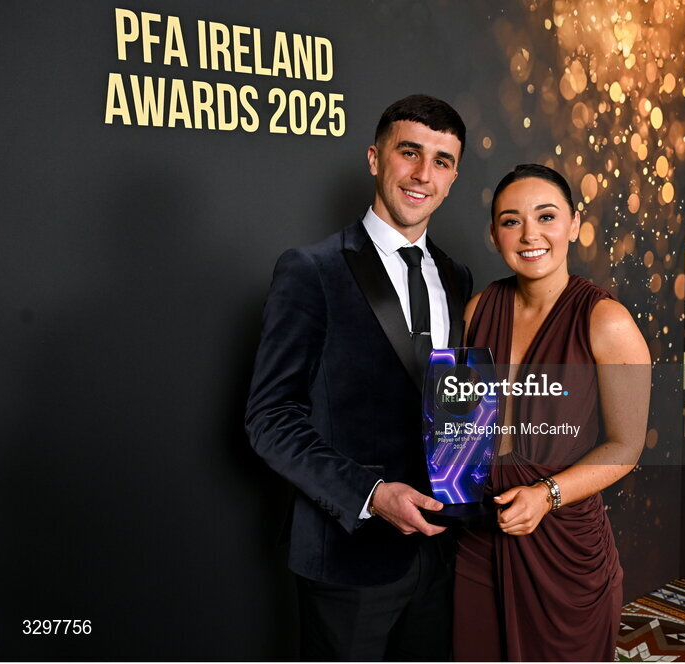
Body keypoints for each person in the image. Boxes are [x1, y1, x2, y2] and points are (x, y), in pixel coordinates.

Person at [245, 94, 473, 661]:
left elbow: (451, 402)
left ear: (453, 179)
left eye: (441, 161)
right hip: (349, 557)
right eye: (409, 152)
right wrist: (371, 495)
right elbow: (270, 419)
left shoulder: (457, 276)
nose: (423, 174)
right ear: (375, 159)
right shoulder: (311, 269)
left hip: (441, 554)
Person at [452, 164, 651, 661]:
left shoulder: (607, 321)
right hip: (479, 537)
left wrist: (546, 495)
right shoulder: (477, 311)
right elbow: (461, 427)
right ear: (494, 234)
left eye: (546, 216)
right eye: (511, 221)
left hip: (563, 545)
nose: (530, 235)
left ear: (574, 224)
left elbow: (626, 447)